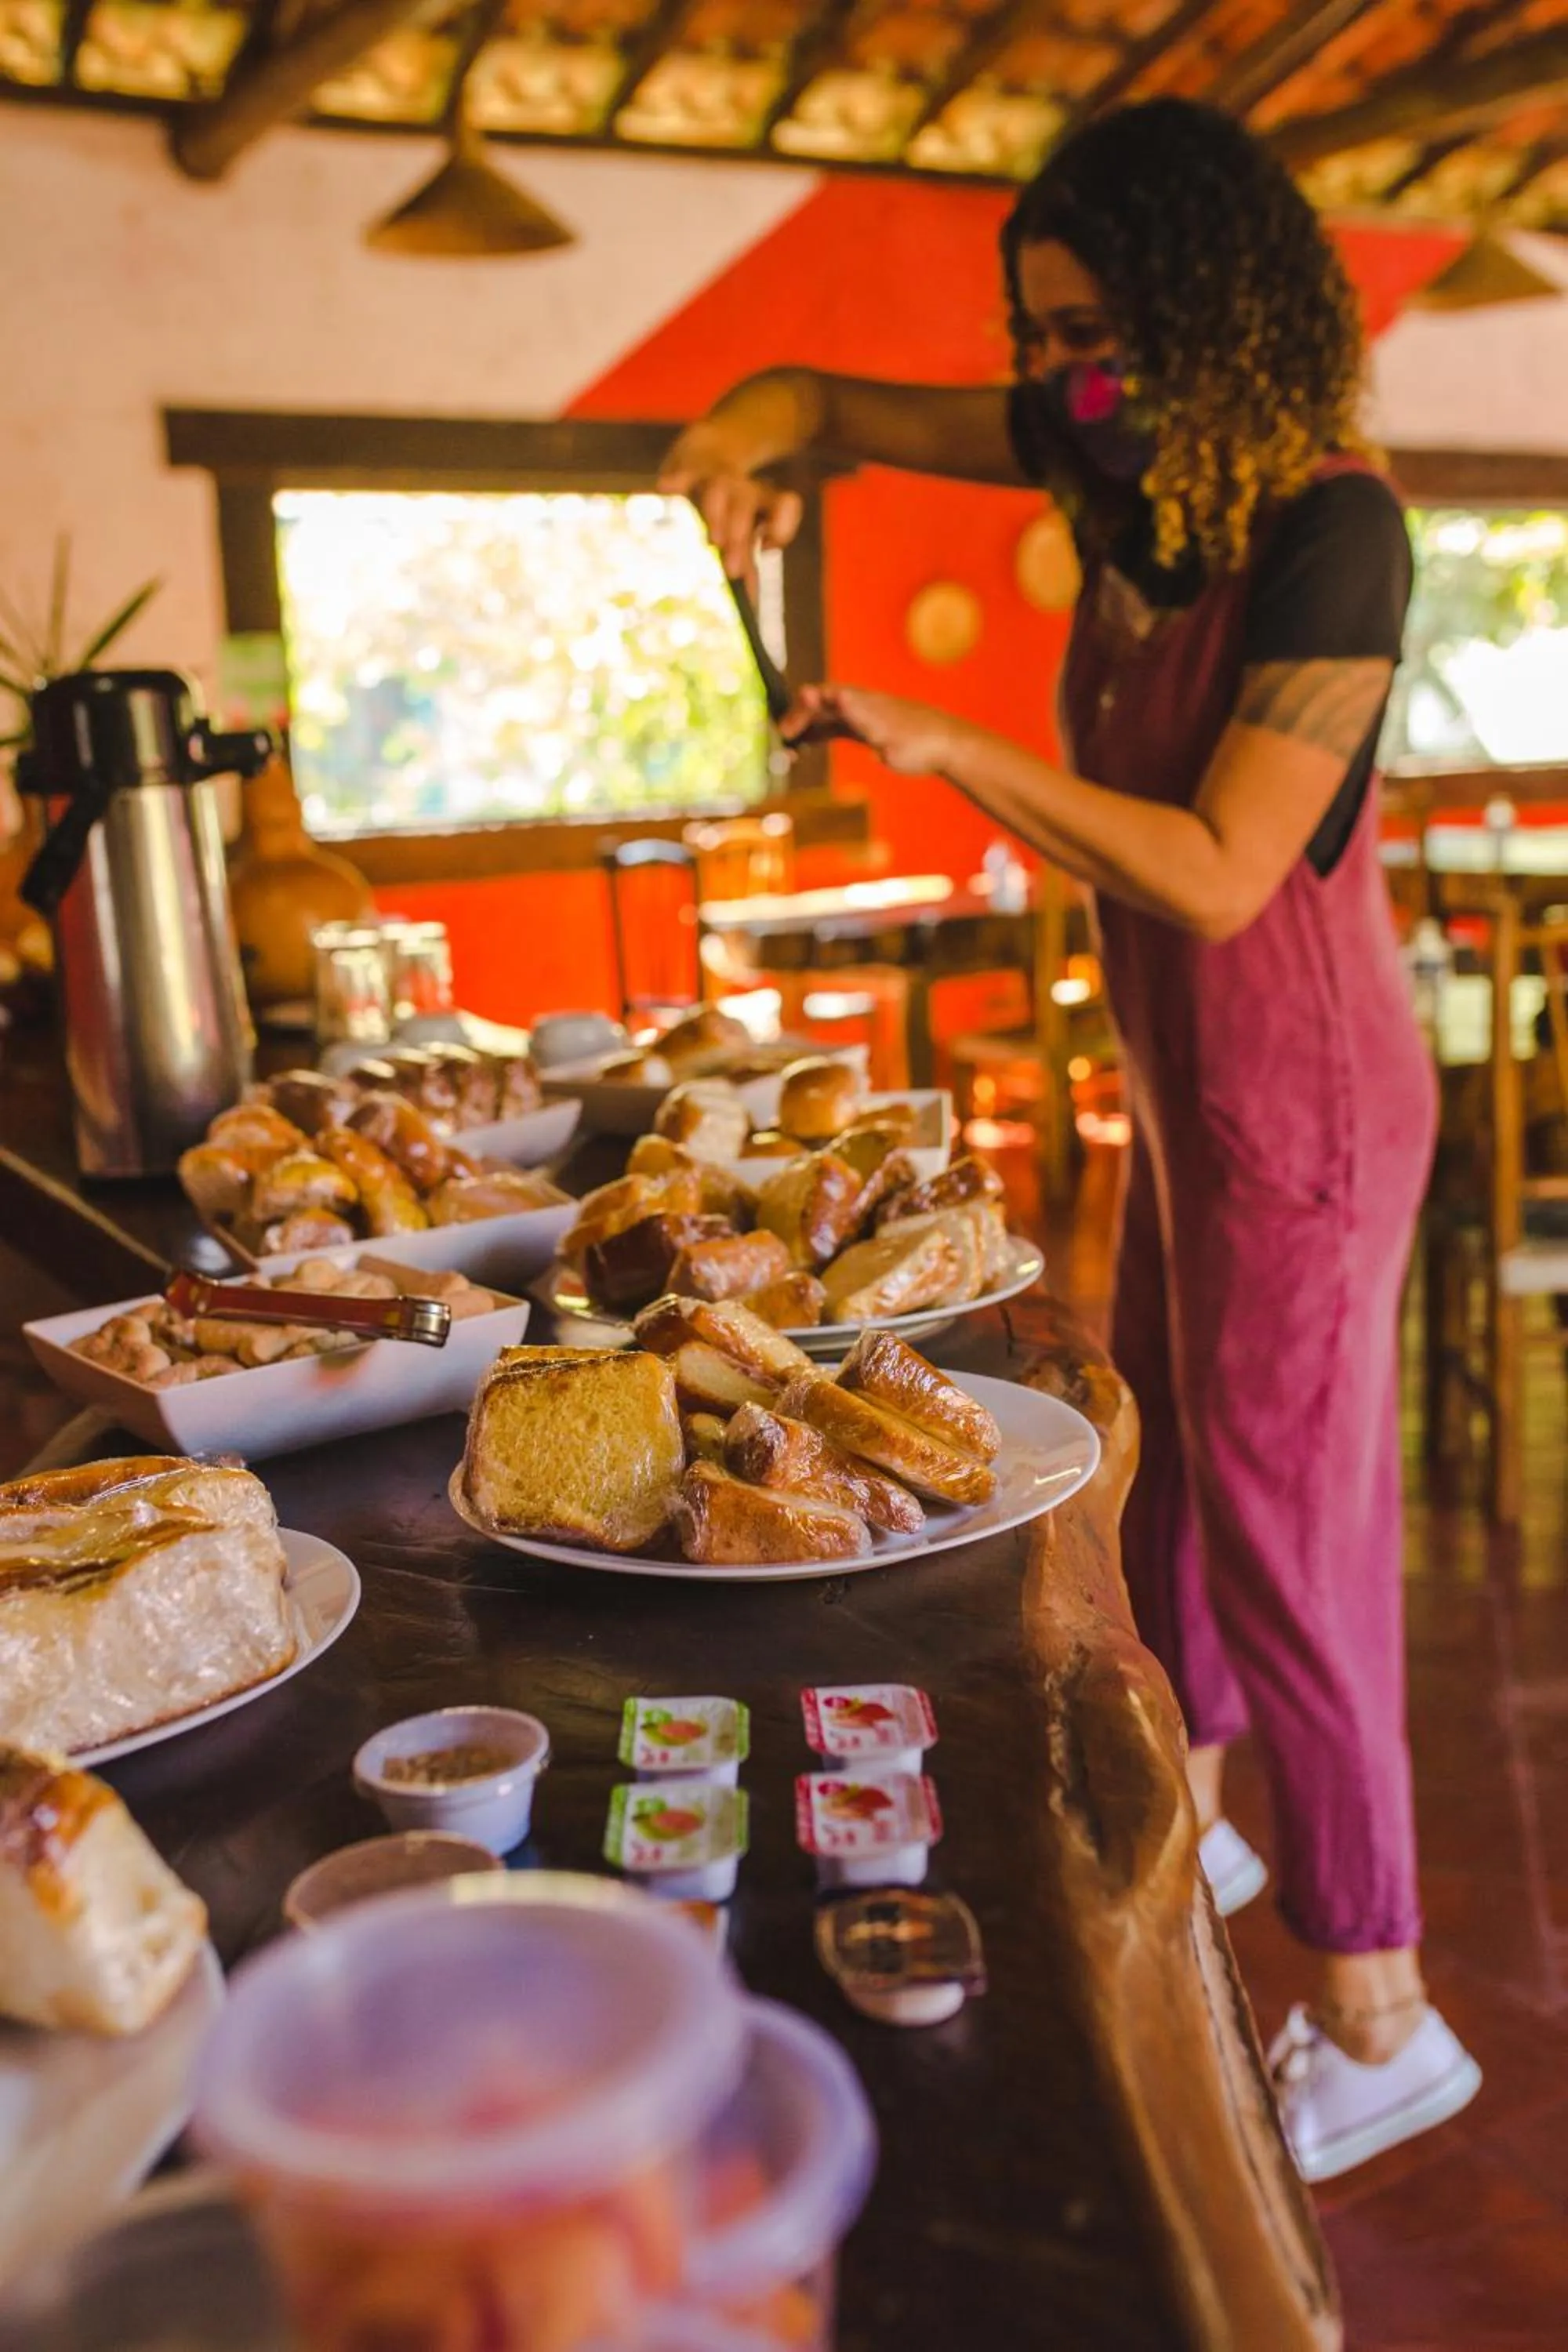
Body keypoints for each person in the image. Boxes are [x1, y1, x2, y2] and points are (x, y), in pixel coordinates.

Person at [662, 95, 1481, 2183]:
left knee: (1299, 1546)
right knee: (1168, 1463)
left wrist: (949, 742)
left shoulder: (1332, 530)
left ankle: (1384, 2011)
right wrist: (739, 449)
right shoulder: (1118, 462)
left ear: (1209, 314)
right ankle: (1184, 1836)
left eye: (1092, 330)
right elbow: (818, 395)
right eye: (1035, 335)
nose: (1056, 375)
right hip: (1184, 1078)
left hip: (1298, 1085)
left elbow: (1221, 871)